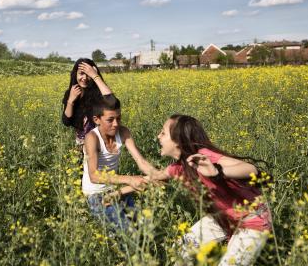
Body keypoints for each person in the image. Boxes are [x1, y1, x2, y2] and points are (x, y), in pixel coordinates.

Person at [149, 114, 271, 265]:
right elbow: (153, 177)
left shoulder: (204, 157)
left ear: (178, 141)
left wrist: (216, 172)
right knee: (179, 249)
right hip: (223, 218)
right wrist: (116, 191)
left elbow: (250, 168)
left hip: (252, 221)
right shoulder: (178, 167)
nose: (158, 136)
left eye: (163, 132)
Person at [82, 97, 159, 232]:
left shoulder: (123, 132)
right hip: (96, 194)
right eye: (110, 120)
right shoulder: (92, 138)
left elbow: (140, 161)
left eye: (119, 118)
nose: (116, 124)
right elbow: (94, 175)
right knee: (128, 233)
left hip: (117, 189)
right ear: (96, 120)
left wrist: (157, 175)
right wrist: (129, 179)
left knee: (143, 227)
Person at [62, 58, 115, 147]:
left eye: (88, 74)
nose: (85, 78)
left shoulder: (99, 93)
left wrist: (95, 76)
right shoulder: (70, 93)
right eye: (81, 73)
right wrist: (71, 100)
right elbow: (66, 121)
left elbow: (112, 102)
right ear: (75, 74)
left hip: (100, 145)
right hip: (79, 145)